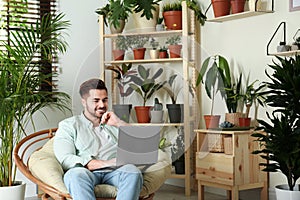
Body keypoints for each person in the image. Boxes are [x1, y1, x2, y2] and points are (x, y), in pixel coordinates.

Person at [53, 78, 143, 200]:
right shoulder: (69, 125)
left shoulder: (113, 122)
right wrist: (101, 163)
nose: (102, 105)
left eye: (105, 100)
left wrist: (119, 123)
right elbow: (65, 158)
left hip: (115, 171)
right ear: (84, 102)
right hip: (86, 172)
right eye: (96, 100)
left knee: (133, 172)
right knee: (74, 175)